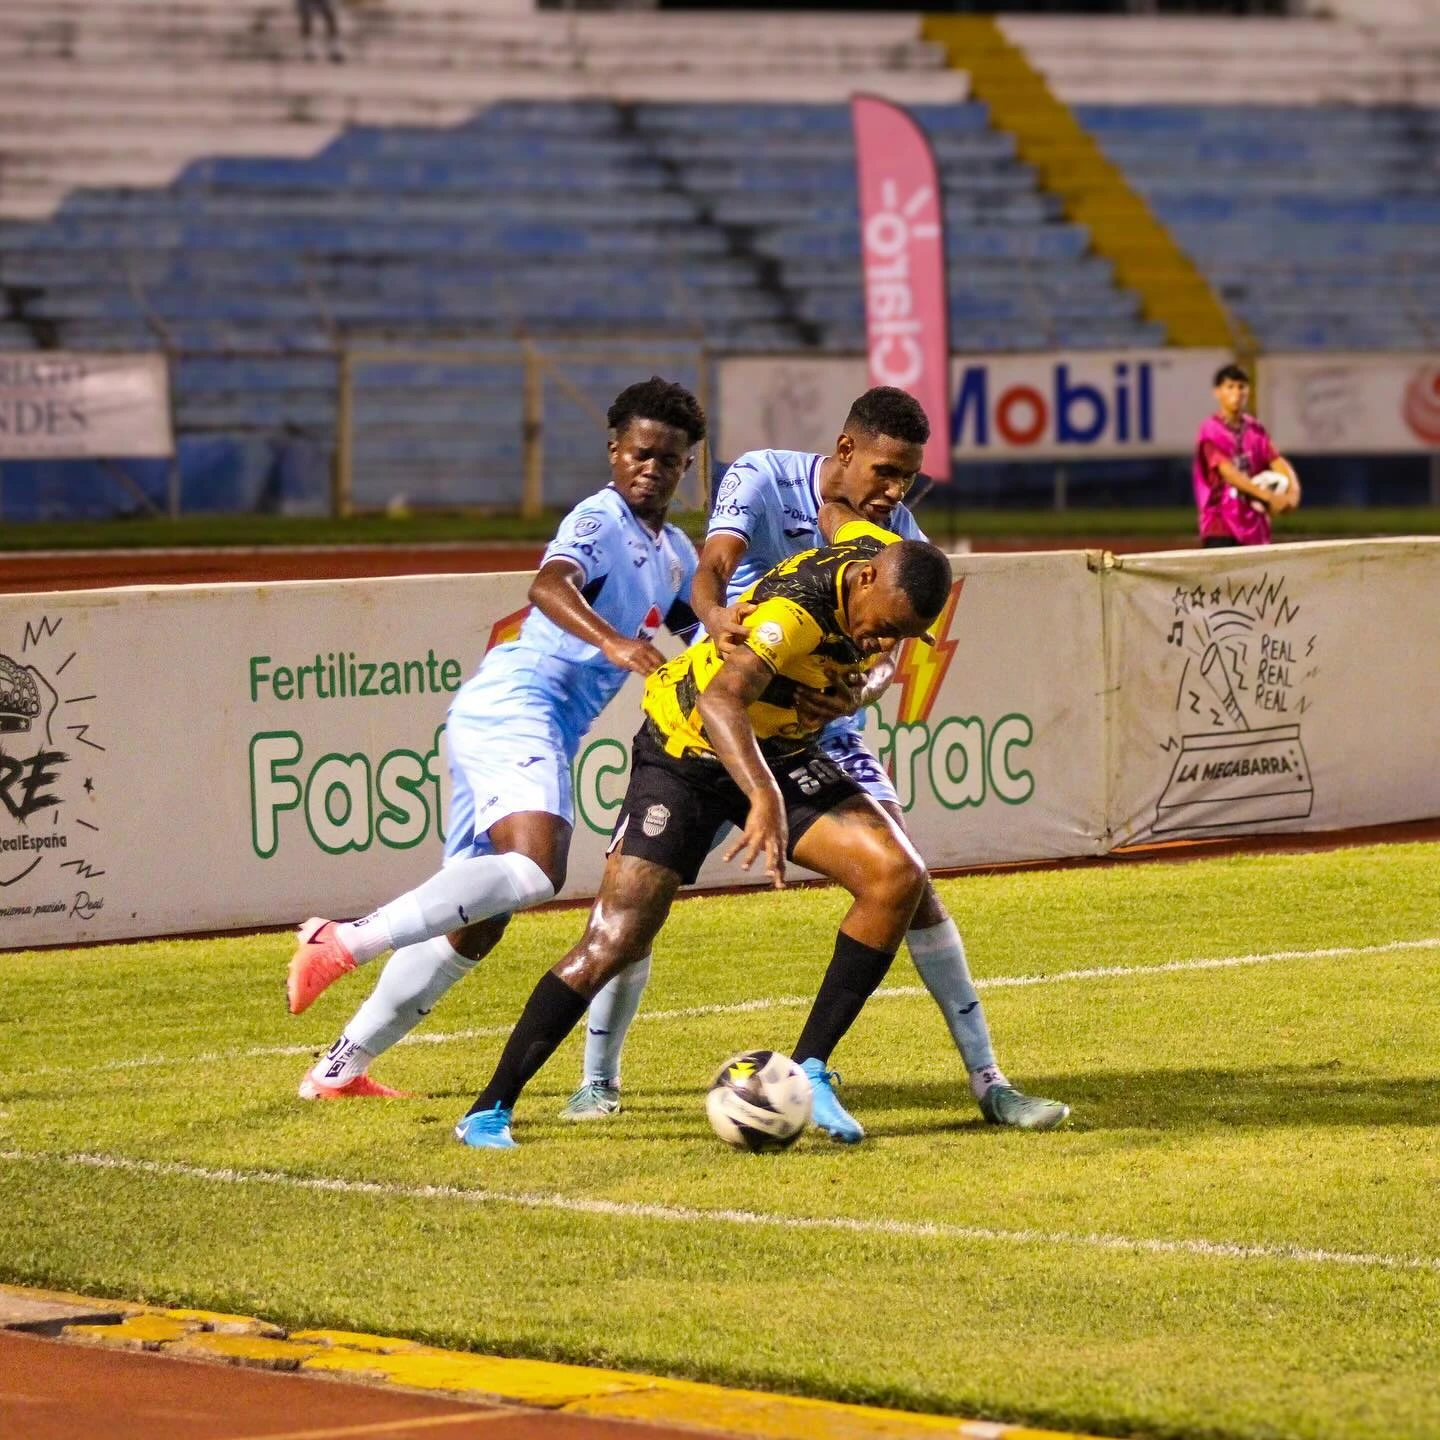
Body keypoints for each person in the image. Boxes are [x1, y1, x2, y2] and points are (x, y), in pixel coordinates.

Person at [564, 386, 1069, 1132]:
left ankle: (989, 1083)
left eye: (907, 478)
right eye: (887, 472)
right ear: (845, 450)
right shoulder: (762, 477)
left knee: (908, 883)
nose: (896, 492)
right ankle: (597, 1081)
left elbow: (890, 654)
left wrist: (857, 693)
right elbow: (710, 569)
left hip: (816, 727)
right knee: (635, 905)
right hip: (727, 720)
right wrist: (714, 619)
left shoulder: (895, 530)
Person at [455, 529, 956, 1149]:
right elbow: (722, 702)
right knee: (616, 937)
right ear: (863, 581)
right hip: (685, 752)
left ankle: (813, 1071)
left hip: (780, 747)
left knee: (897, 876)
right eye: (881, 626)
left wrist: (864, 683)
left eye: (899, 636)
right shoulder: (788, 618)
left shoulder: (876, 558)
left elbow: (877, 652)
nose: (883, 642)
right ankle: (488, 1108)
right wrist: (764, 796)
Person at [284, 378, 708, 1098]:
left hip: (522, 721)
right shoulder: (600, 519)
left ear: (686, 467)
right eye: (640, 454)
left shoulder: (673, 553)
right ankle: (341, 940)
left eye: (668, 460)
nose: (652, 469)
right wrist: (615, 645)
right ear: (613, 452)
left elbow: (699, 634)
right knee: (539, 870)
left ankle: (337, 1070)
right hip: (518, 702)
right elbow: (548, 585)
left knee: (478, 921)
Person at [1193, 363, 1301, 548]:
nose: (1237, 392)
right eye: (1230, 387)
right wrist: (1268, 497)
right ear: (1217, 392)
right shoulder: (1211, 430)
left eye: (1241, 386)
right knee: (1223, 577)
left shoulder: (1255, 429)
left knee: (1258, 578)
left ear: (1248, 391)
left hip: (1254, 523)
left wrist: (1293, 494)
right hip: (1221, 524)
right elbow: (1228, 473)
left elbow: (1277, 461)